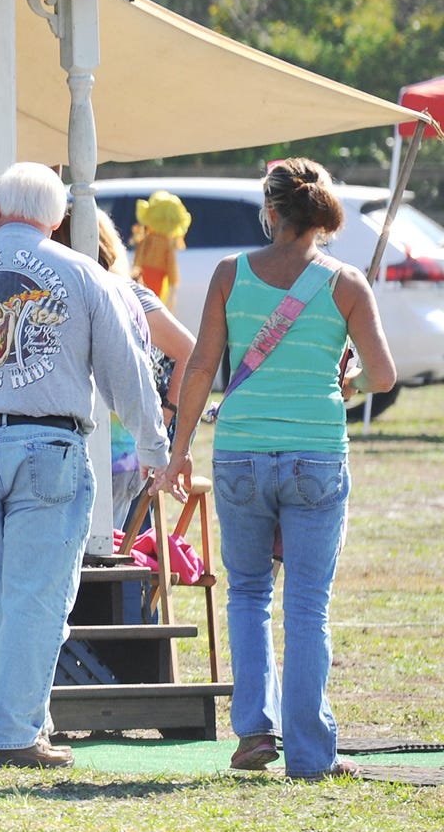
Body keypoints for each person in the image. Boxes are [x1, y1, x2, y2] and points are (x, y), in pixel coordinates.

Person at [0, 163, 168, 769]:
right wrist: (155, 450)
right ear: (59, 218)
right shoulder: (85, 273)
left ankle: (23, 723)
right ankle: (14, 737)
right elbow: (129, 371)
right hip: (50, 445)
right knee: (38, 597)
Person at [162, 157, 395, 780]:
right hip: (317, 452)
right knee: (308, 605)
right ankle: (313, 754)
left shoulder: (228, 275)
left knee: (247, 594)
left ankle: (253, 734)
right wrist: (346, 383)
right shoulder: (346, 283)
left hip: (239, 451)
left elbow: (202, 366)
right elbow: (384, 375)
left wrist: (179, 450)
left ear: (271, 212)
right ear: (319, 213)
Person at [55, 212, 196, 528]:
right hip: (115, 451)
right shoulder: (114, 291)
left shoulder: (123, 292)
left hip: (116, 453)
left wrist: (167, 411)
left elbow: (189, 351)